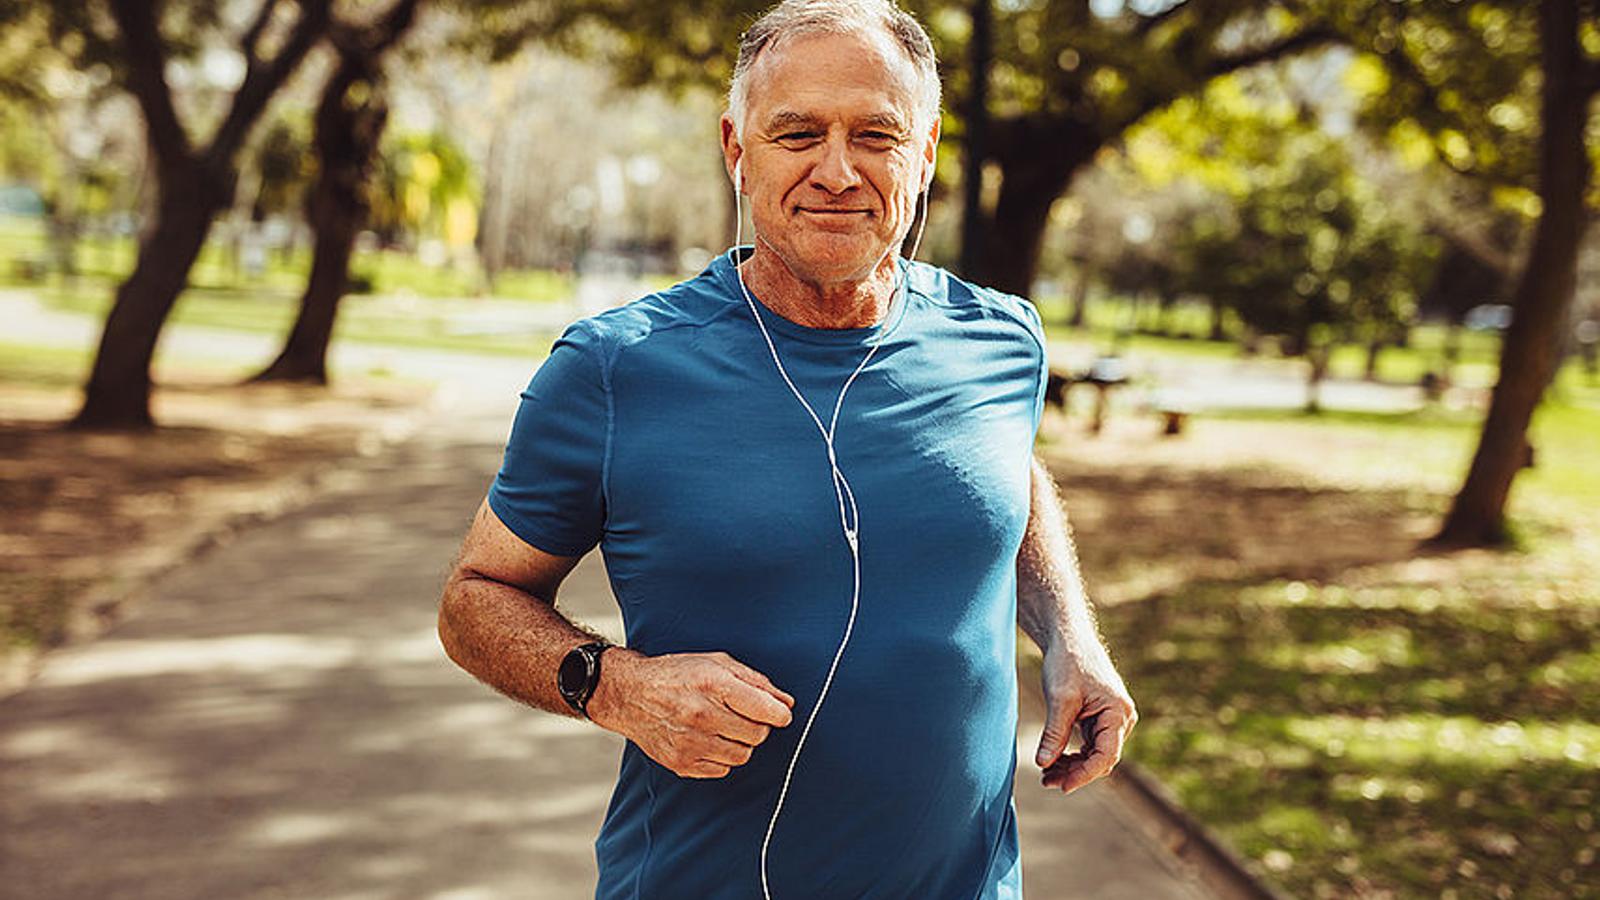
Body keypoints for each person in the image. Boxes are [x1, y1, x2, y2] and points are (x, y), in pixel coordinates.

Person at [437, 1, 1136, 897]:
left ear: (923, 155)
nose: (837, 171)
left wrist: (1070, 634)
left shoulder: (1002, 342)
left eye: (876, 135)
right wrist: (616, 688)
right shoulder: (614, 368)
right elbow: (473, 599)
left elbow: (1005, 475)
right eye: (796, 133)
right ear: (737, 150)